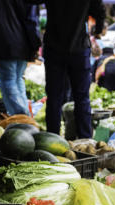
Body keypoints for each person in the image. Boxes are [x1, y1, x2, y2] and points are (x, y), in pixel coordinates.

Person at [26, 0, 104, 139]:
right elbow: (99, 10)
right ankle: (85, 139)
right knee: (82, 98)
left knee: (54, 97)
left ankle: (52, 138)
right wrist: (97, 30)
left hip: (54, 47)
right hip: (79, 48)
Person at [0, 1, 40, 117]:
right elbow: (32, 19)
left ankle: (21, 116)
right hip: (24, 44)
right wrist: (35, 44)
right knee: (18, 79)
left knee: (9, 81)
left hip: (4, 42)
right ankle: (25, 116)